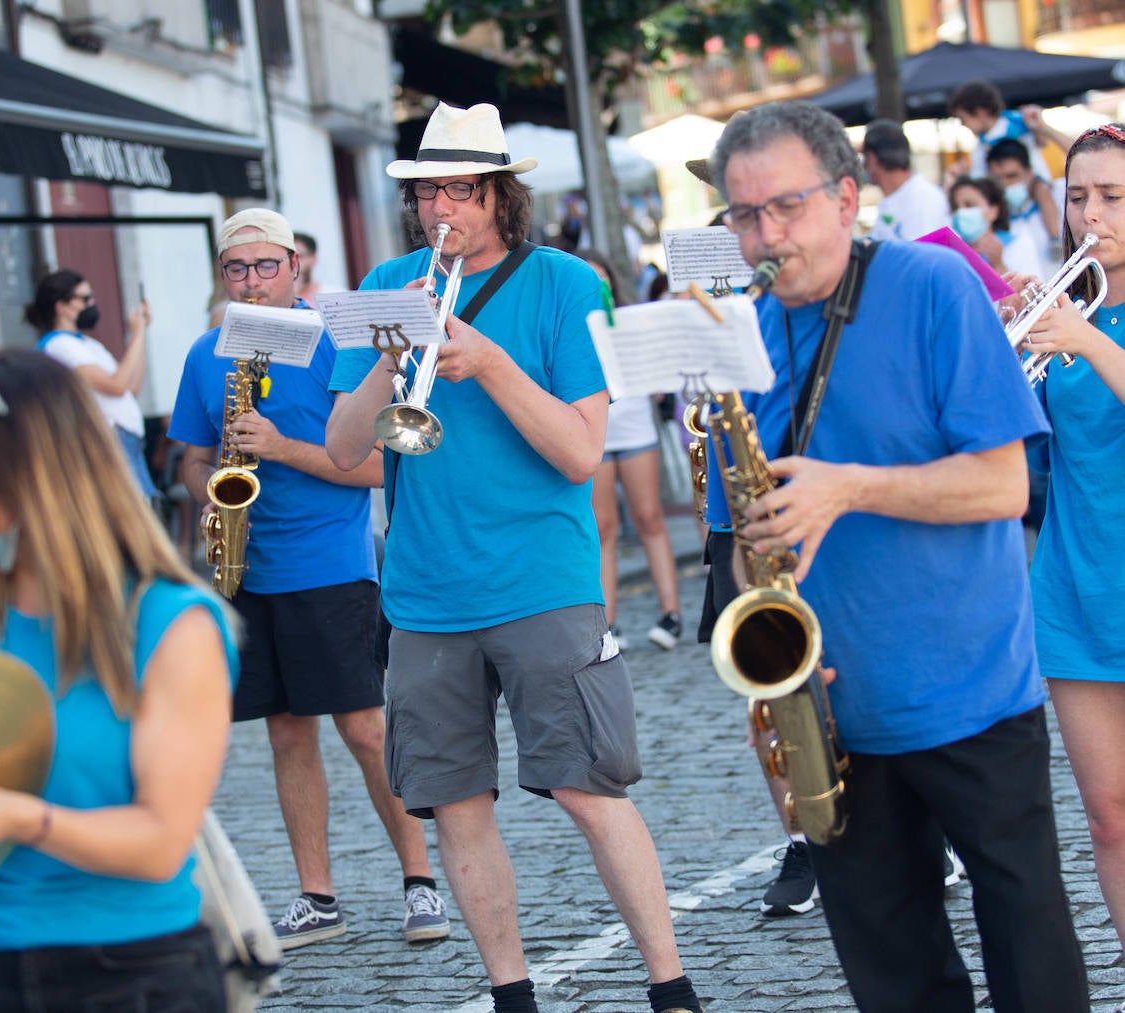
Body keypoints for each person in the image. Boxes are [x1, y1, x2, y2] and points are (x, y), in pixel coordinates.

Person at [704, 99, 1087, 1010]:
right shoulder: (737, 331)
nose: (766, 236)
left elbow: (1003, 487)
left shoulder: (932, 286)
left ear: (846, 197)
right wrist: (760, 659)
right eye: (744, 214)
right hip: (829, 708)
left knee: (1029, 953)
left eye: (785, 208)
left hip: (970, 688)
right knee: (893, 974)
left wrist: (850, 486)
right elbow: (733, 531)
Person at [326, 101, 706, 1013]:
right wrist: (394, 353)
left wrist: (490, 363)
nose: (439, 207)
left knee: (589, 789)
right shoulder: (386, 281)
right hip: (423, 593)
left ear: (501, 196)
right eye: (426, 191)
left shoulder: (569, 283)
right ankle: (512, 995)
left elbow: (581, 452)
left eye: (458, 188)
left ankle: (670, 985)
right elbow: (346, 447)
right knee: (456, 806)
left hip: (544, 581)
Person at [0, 349, 236, 1011]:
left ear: (29, 483)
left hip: (140, 975)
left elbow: (162, 842)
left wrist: (21, 817)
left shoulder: (170, 624)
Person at [169, 208, 449, 951]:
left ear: (297, 268)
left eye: (267, 266)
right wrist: (213, 487)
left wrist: (280, 447)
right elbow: (191, 461)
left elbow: (368, 468)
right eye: (237, 269)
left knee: (363, 727)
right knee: (287, 733)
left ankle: (420, 879)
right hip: (248, 564)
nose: (253, 281)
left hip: (331, 562)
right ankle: (316, 895)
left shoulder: (339, 343)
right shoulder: (206, 353)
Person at [1017, 121, 1125, 969]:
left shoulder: (1083, 325)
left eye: (1114, 198)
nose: (1092, 215)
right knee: (1110, 817)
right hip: (1074, 583)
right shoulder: (1060, 306)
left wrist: (1088, 340)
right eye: (1078, 196)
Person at [576, 249, 682, 649]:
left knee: (650, 517)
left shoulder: (627, 319)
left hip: (635, 427)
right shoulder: (568, 325)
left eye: (601, 277)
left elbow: (654, 366)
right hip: (594, 434)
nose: (595, 285)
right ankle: (609, 623)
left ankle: (671, 614)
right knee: (603, 528)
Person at [25, 269, 157, 499]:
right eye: (85, 299)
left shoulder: (88, 344)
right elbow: (116, 386)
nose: (92, 303)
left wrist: (141, 333)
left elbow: (130, 387)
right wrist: (136, 334)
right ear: (62, 306)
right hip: (109, 441)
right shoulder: (59, 345)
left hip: (128, 441)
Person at [948, 79, 1056, 183]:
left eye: (963, 118)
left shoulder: (1018, 123)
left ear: (980, 112)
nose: (962, 124)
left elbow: (1042, 142)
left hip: (1039, 191)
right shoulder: (981, 145)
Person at [861, 119, 949, 241]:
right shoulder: (892, 199)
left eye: (863, 157)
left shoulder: (922, 198)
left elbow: (922, 255)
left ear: (871, 158)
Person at [988, 137, 1062, 278]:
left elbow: (1091, 163)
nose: (1004, 185)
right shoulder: (992, 223)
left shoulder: (1057, 198)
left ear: (1029, 173)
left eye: (1011, 176)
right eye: (998, 179)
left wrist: (1044, 129)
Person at [947, 174, 1043, 277]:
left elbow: (1032, 290)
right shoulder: (950, 254)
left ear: (993, 211)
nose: (961, 212)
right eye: (955, 208)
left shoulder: (1019, 245)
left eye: (969, 205)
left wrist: (997, 265)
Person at [292, 231, 322, 306]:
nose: (293, 262)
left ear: (313, 259)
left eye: (298, 256)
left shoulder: (331, 294)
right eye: (289, 256)